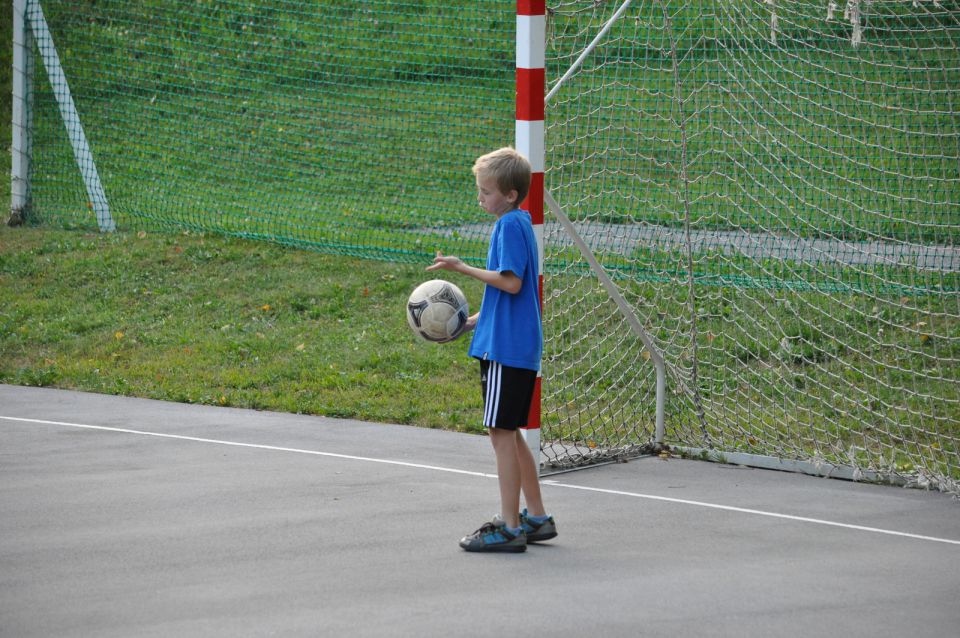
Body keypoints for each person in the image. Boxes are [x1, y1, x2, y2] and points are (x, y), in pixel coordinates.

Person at [427, 147, 557, 553]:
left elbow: (511, 283)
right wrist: (470, 322)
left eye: (486, 192)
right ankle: (535, 517)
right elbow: (507, 297)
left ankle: (510, 526)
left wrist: (460, 268)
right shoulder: (518, 224)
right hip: (508, 340)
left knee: (500, 432)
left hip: (507, 349)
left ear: (511, 195)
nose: (480, 198)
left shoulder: (509, 227)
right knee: (509, 432)